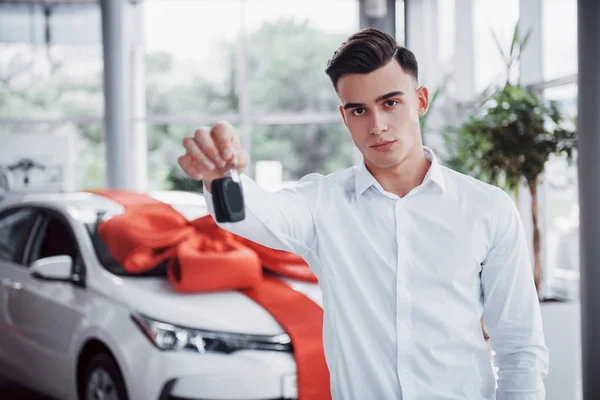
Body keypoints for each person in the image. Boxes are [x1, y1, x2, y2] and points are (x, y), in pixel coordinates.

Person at [178, 28, 549, 400]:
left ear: (420, 100)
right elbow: (255, 212)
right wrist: (221, 177)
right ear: (344, 116)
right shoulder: (322, 203)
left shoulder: (487, 208)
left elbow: (519, 347)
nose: (377, 126)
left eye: (390, 103)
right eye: (359, 110)